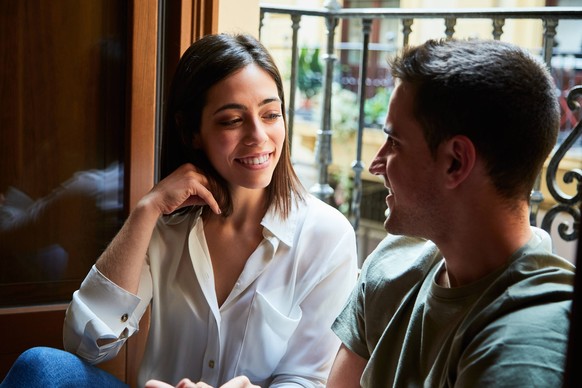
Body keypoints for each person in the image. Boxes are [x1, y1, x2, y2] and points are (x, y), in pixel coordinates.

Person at [1, 33, 358, 387]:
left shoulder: (326, 235)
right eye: (232, 120)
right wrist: (146, 210)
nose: (258, 135)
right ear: (191, 133)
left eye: (270, 114)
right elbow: (88, 344)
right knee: (42, 367)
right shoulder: (167, 222)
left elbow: (309, 379)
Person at [327, 38, 576, 387]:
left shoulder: (529, 338)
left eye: (394, 143)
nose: (375, 164)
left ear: (455, 162)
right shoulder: (393, 263)